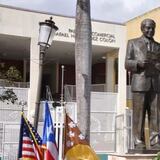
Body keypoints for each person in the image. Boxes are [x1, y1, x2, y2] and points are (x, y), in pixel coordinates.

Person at [125, 18, 160, 149]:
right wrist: (138, 64)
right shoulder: (133, 43)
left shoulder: (158, 46)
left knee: (156, 114)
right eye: (148, 28)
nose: (150, 30)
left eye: (153, 28)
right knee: (138, 115)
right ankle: (138, 141)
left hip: (155, 84)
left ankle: (155, 141)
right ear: (142, 28)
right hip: (139, 83)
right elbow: (127, 63)